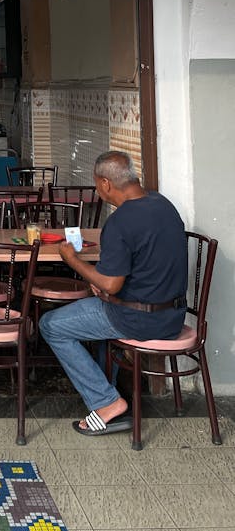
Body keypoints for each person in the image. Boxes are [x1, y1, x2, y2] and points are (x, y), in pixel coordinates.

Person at [40, 150, 188, 437]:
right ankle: (107, 384)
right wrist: (105, 284)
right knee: (96, 300)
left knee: (51, 325)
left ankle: (107, 402)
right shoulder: (162, 204)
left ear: (106, 184)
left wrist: (72, 260)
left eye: (97, 183)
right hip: (173, 315)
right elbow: (136, 269)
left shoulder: (120, 223)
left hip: (136, 318)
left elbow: (110, 285)